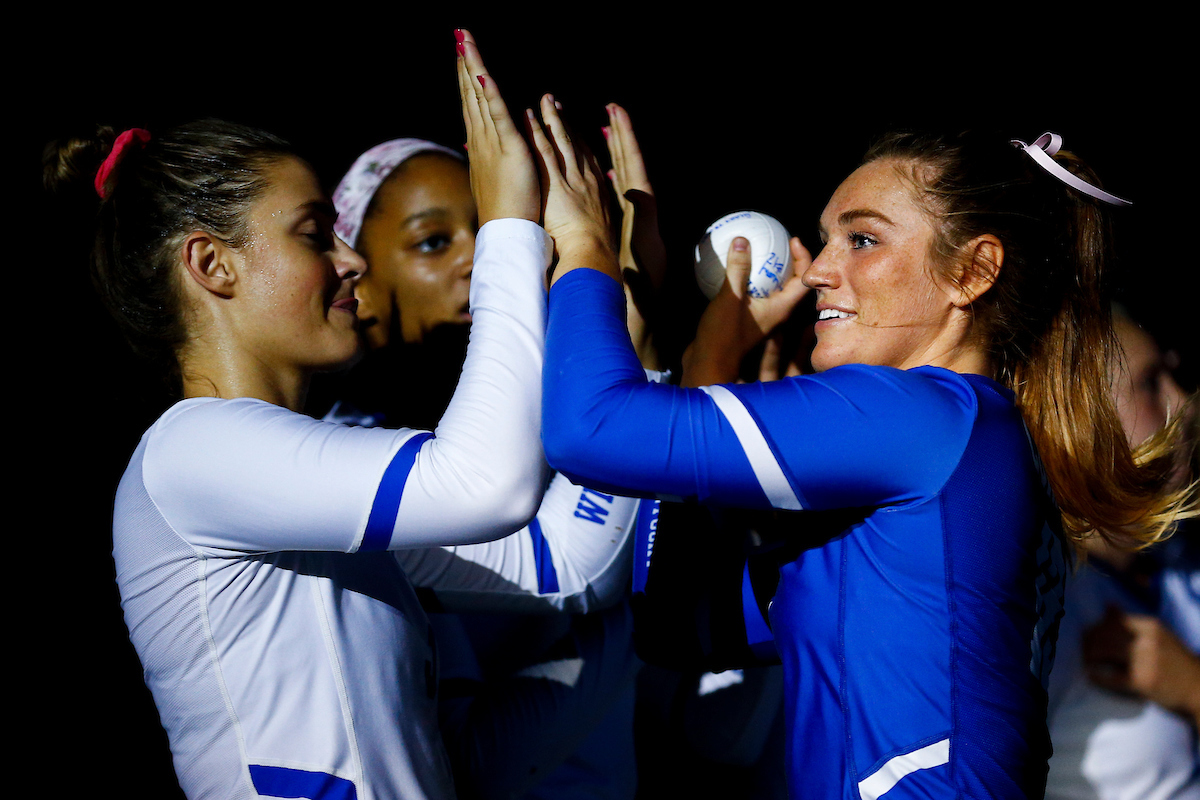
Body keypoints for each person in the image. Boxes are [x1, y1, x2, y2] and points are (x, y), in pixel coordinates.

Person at [507, 69, 1198, 797]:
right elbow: (683, 627)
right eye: (825, 239)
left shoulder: (927, 416)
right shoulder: (956, 451)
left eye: (862, 239)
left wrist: (582, 248)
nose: (821, 271)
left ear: (972, 271)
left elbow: (587, 430)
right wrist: (711, 359)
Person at [42, 30, 590, 800]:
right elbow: (485, 484)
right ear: (211, 264)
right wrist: (508, 230)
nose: (351, 261)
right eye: (313, 233)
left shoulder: (303, 475)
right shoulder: (190, 453)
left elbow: (561, 565)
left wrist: (614, 304)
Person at [318, 130, 656, 799]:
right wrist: (645, 610)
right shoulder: (340, 470)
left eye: (497, 227)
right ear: (359, 273)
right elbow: (478, 764)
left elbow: (724, 734)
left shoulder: (554, 428)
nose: (480, 258)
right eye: (432, 242)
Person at [1046, 308, 1199, 800]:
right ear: (1079, 421)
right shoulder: (1044, 602)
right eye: (1151, 383)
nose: (1186, 405)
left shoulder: (1179, 560)